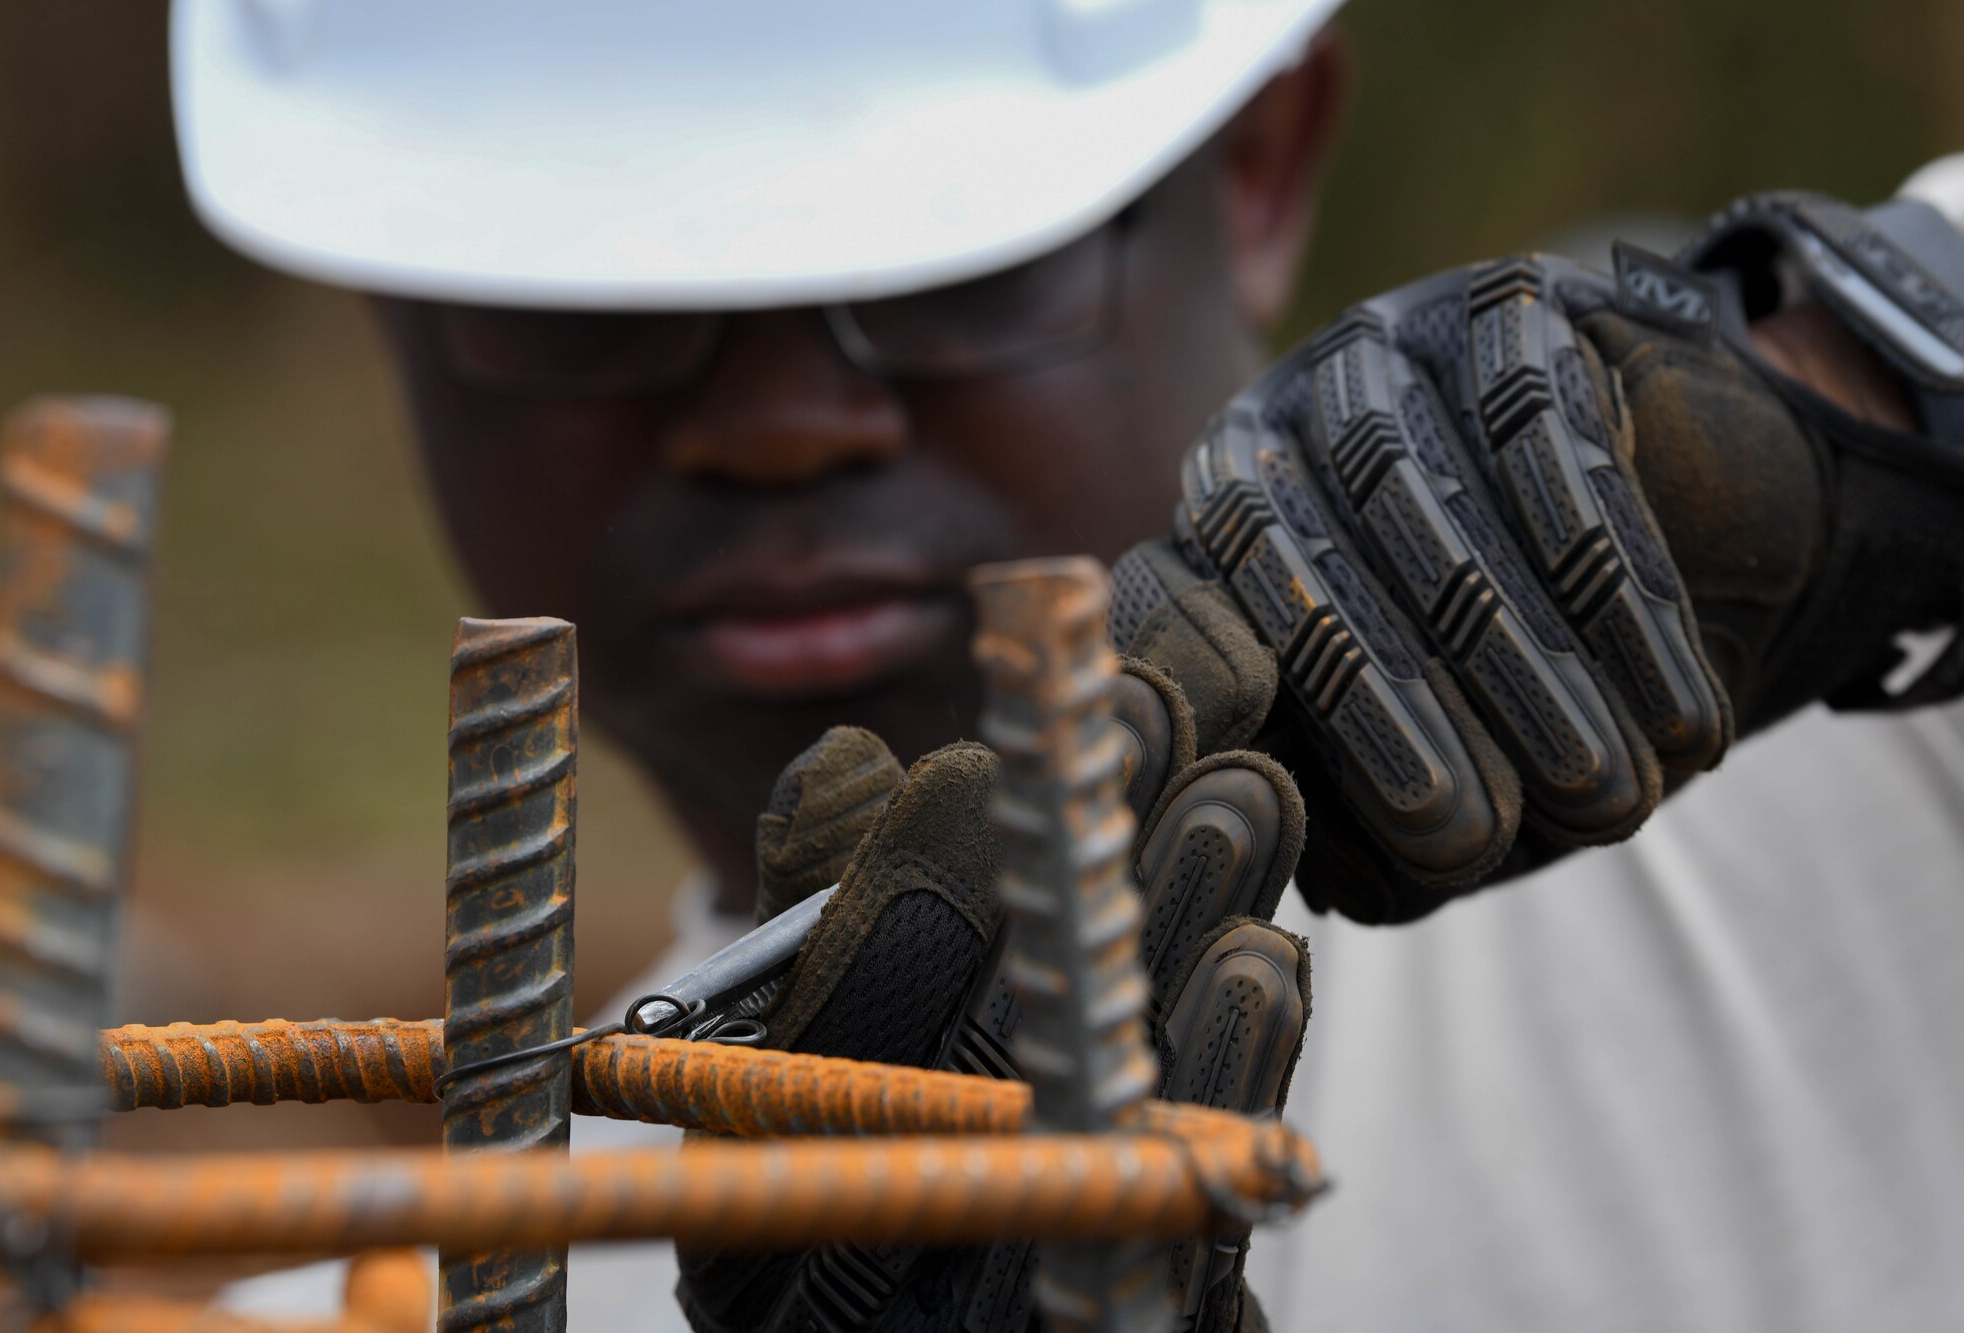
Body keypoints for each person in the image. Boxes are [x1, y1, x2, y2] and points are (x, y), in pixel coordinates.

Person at [175, 1, 1964, 1329]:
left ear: (1258, 176)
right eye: (577, 297)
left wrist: (1871, 374)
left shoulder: (1869, 773)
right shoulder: (428, 1299)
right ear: (388, 306)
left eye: (956, 263)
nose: (783, 423)